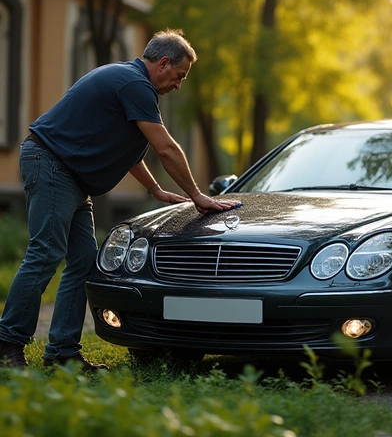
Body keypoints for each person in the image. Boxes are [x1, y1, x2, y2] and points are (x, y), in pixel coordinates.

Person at [0, 29, 239, 372]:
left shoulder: (130, 84)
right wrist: (197, 195)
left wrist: (155, 189)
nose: (178, 85)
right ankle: (6, 343)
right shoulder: (134, 84)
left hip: (70, 175)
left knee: (83, 260)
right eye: (179, 76)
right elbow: (166, 148)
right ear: (163, 63)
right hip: (52, 164)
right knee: (45, 253)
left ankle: (63, 355)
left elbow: (126, 151)